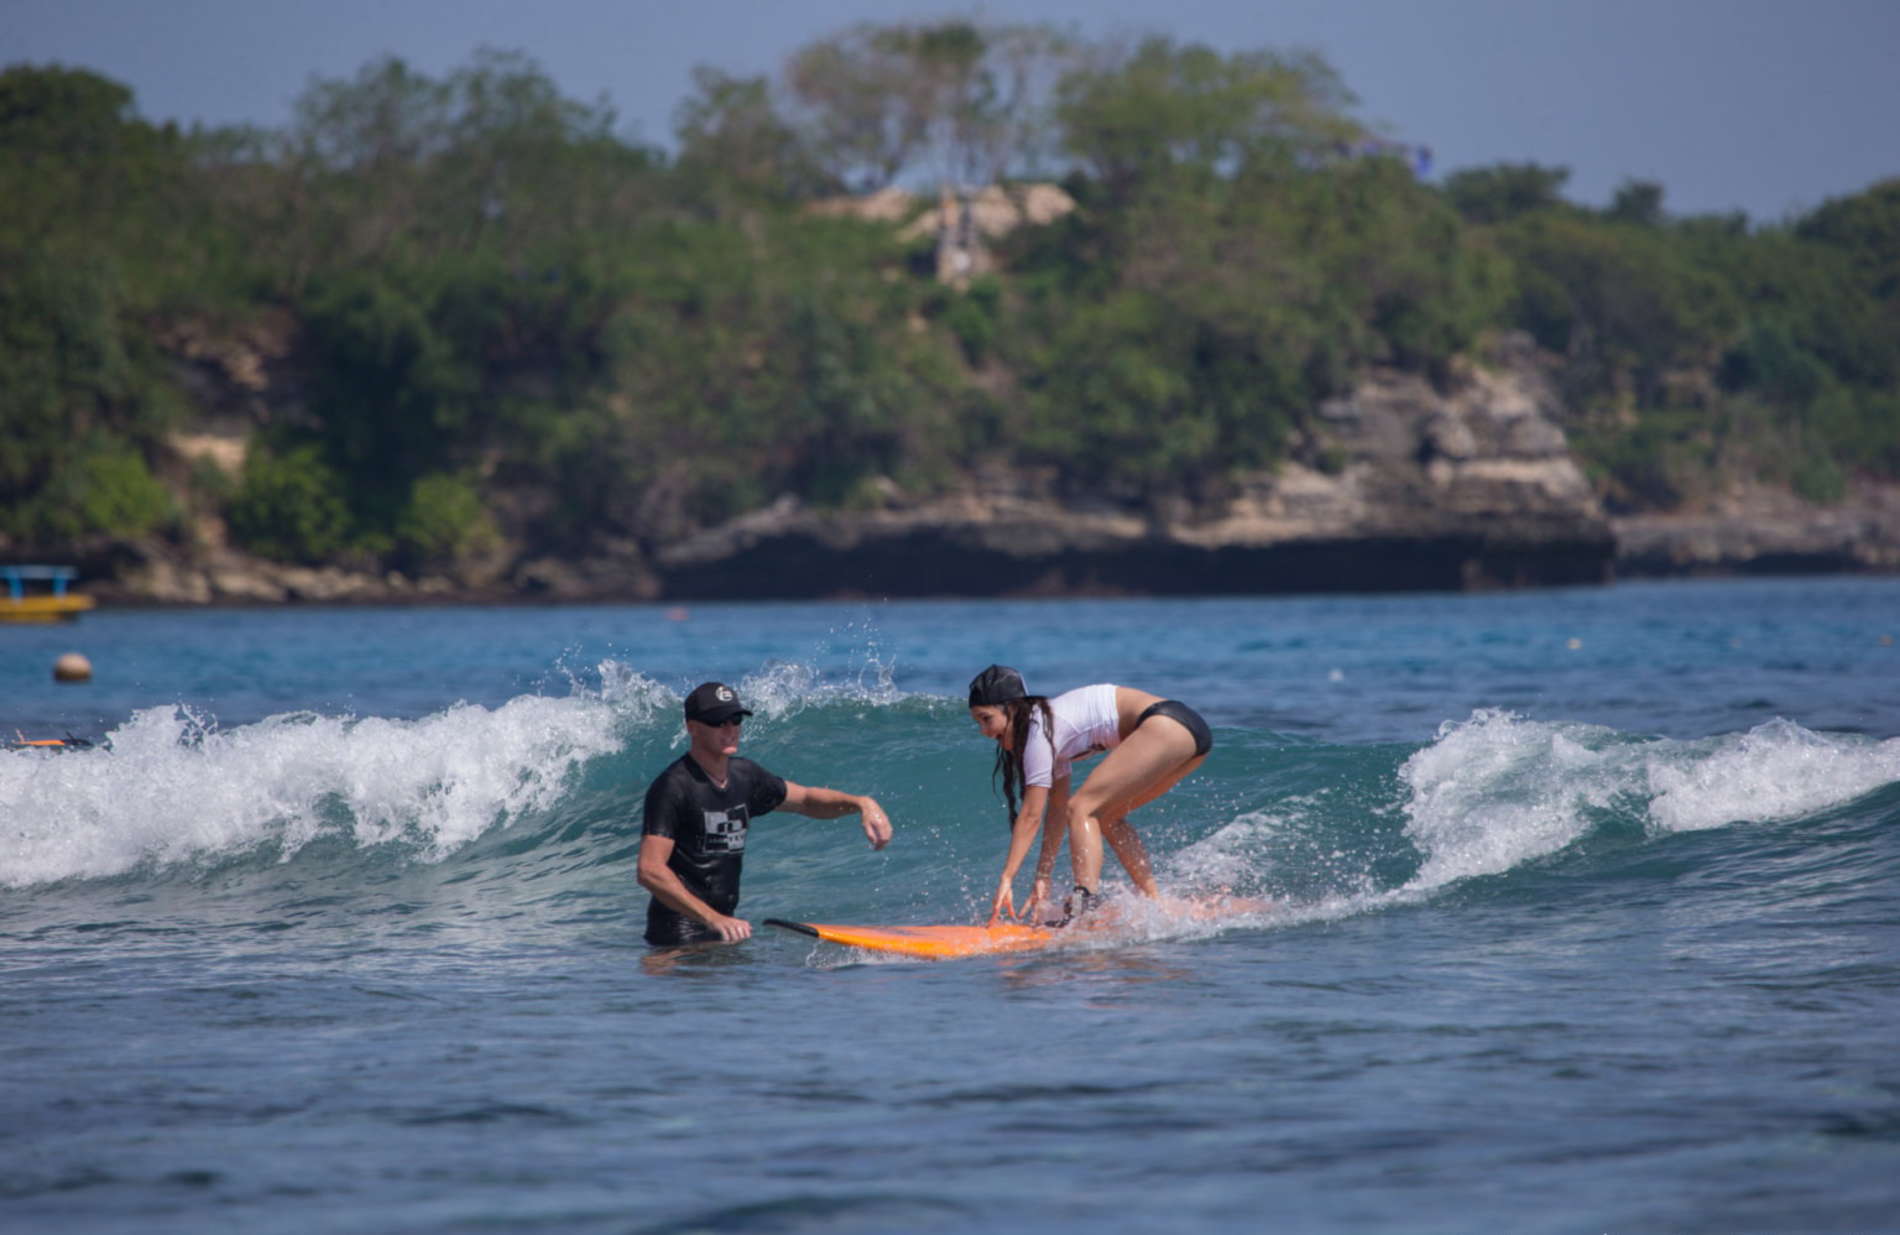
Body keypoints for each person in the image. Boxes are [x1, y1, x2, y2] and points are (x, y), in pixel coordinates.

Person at [638, 681, 892, 946]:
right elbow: (649, 869)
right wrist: (713, 918)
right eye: (718, 722)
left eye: (736, 720)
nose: (730, 729)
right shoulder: (673, 786)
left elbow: (806, 800)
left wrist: (861, 803)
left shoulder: (745, 776)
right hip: (676, 935)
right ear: (692, 727)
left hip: (725, 930)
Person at [967, 665, 1213, 926]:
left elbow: (1031, 815)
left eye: (986, 718)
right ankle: (1155, 902)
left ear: (1013, 708)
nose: (984, 730)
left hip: (1165, 724)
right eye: (978, 722)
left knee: (1082, 807)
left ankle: (1084, 907)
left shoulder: (1038, 730)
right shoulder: (1047, 729)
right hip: (1190, 732)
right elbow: (1057, 808)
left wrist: (1007, 877)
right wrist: (1043, 876)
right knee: (1106, 816)